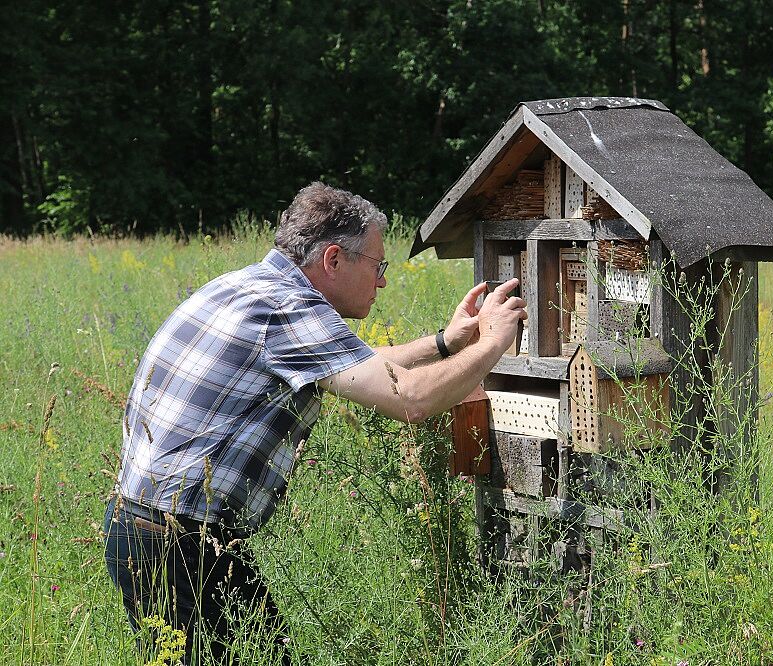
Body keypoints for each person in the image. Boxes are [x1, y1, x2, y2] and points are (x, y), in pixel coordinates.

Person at [103, 182, 526, 664]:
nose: (382, 283)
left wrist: (445, 342)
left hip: (142, 529)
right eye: (378, 266)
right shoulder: (288, 308)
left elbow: (353, 365)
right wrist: (493, 342)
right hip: (178, 542)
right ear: (333, 259)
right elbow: (410, 399)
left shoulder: (248, 287)